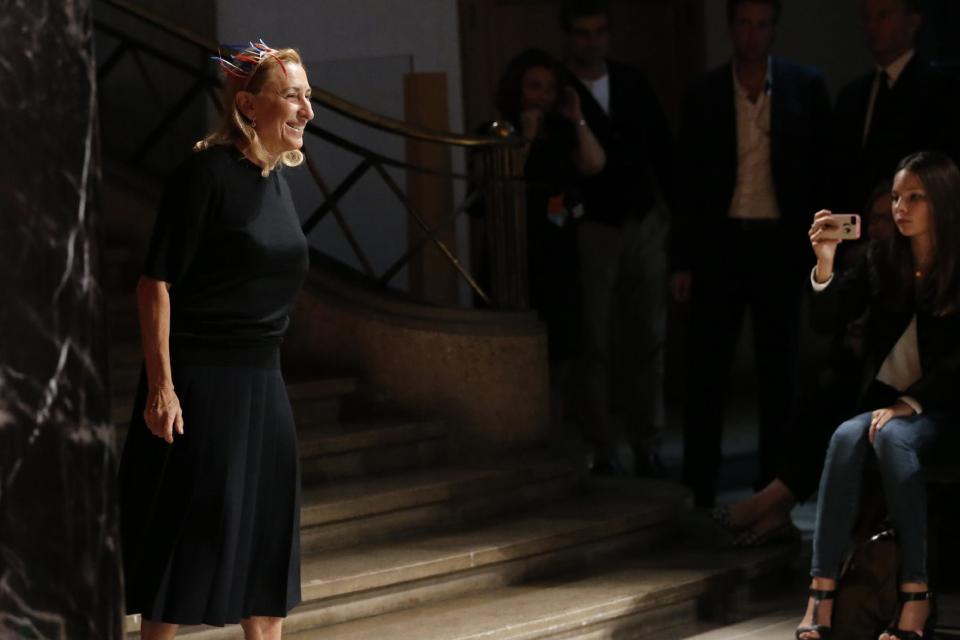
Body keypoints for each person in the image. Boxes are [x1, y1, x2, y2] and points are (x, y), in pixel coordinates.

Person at [118, 41, 314, 640]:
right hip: (203, 385)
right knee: (190, 542)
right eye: (292, 96)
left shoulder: (276, 181)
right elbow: (155, 285)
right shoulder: (204, 175)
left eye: (309, 95)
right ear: (249, 106)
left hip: (264, 381)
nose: (306, 109)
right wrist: (163, 388)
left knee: (267, 545)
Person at [797, 151, 960, 640]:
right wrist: (823, 266)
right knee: (847, 437)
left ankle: (916, 596)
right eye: (895, 197)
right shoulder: (882, 257)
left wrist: (911, 404)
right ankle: (820, 593)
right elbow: (827, 321)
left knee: (893, 439)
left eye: (915, 197)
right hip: (892, 405)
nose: (900, 208)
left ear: (944, 203)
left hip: (949, 404)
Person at [675, 0, 832, 507]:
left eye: (761, 24)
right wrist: (682, 259)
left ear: (773, 30)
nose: (752, 34)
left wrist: (824, 247)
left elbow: (821, 171)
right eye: (744, 23)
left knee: (778, 369)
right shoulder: (703, 92)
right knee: (708, 367)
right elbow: (688, 184)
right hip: (721, 241)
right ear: (730, 29)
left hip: (778, 242)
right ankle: (699, 482)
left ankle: (772, 485)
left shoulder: (803, 86)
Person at [710, 182, 896, 547]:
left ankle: (768, 503)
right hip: (862, 380)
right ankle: (776, 510)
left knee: (834, 409)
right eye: (872, 219)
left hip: (903, 388)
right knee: (819, 398)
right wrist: (825, 262)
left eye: (886, 219)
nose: (877, 228)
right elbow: (823, 319)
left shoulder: (922, 267)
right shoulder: (871, 264)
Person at [559, 0, 677, 476]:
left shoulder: (631, 82)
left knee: (647, 336)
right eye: (583, 33)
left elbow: (661, 150)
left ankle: (647, 440)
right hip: (592, 226)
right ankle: (601, 446)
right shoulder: (561, 90)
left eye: (600, 32)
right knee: (595, 341)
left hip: (642, 218)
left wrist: (669, 216)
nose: (593, 41)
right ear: (569, 37)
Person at [492, 48, 605, 427]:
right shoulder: (498, 129)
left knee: (564, 347)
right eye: (533, 87)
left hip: (558, 249)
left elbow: (594, 164)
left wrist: (577, 120)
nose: (541, 96)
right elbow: (504, 183)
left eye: (548, 88)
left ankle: (557, 426)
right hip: (515, 248)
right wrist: (526, 135)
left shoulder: (562, 131)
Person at [830, 0, 960, 213]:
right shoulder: (852, 95)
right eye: (868, 17)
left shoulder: (941, 90)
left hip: (917, 218)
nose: (873, 25)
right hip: (861, 223)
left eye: (883, 16)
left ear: (913, 20)